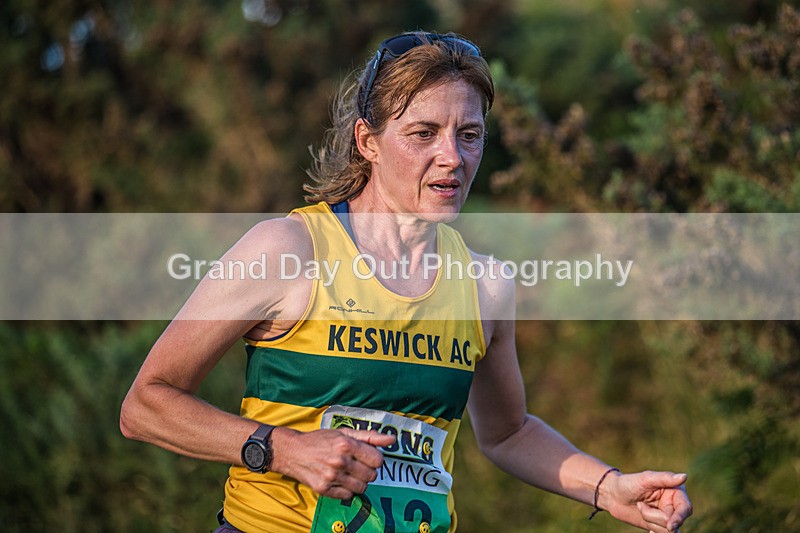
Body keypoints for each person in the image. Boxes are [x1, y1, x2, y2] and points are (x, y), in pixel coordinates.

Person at [120, 31, 693, 533]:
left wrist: (608, 487)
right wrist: (285, 450)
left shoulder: (486, 285)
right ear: (367, 142)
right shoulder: (288, 251)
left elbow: (508, 432)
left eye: (469, 134)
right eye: (423, 133)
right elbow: (146, 404)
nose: (452, 157)